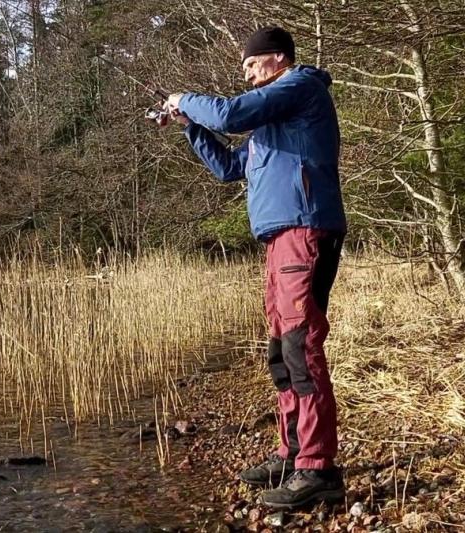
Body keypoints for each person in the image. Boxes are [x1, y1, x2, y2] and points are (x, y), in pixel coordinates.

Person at [163, 26, 347, 509]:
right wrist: (189, 125)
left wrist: (184, 98)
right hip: (280, 240)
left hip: (304, 230)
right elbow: (228, 167)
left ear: (278, 58)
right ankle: (292, 453)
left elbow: (229, 113)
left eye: (250, 64)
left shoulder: (300, 86)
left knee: (301, 347)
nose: (245, 73)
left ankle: (318, 468)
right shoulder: (273, 125)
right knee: (280, 351)